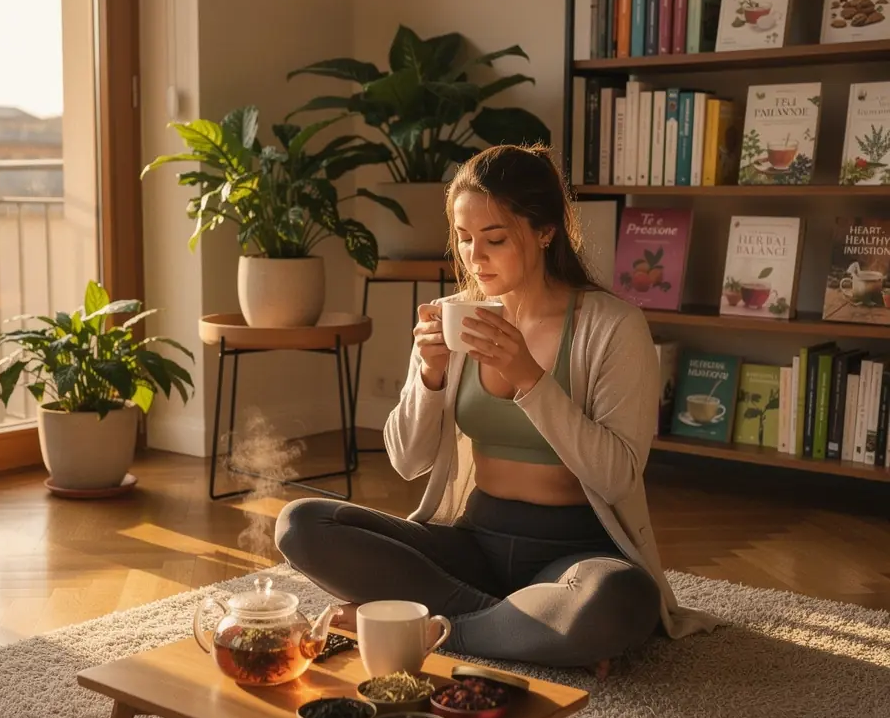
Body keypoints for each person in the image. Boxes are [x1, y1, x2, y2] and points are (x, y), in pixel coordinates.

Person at [275, 144, 721, 672]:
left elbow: (618, 477)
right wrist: (430, 376)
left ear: (545, 231)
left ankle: (443, 627)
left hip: (575, 555)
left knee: (620, 600)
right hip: (474, 545)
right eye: (464, 238)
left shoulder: (613, 326)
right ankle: (517, 627)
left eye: (495, 239)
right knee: (301, 524)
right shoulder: (453, 317)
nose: (474, 257)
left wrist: (530, 378)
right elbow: (407, 461)